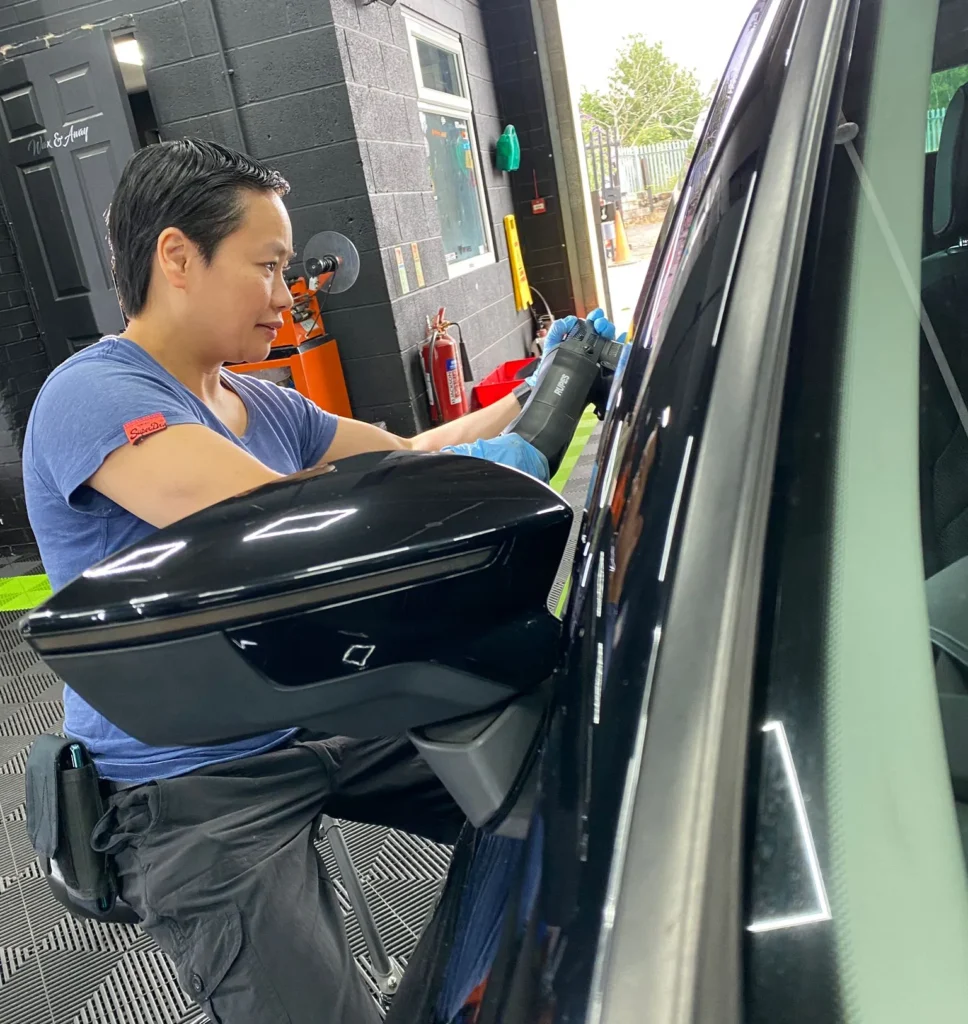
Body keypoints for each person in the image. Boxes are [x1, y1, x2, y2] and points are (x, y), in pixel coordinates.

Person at [22, 138, 621, 1023]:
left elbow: (412, 453)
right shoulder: (93, 396)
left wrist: (550, 379)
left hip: (313, 711)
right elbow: (276, 515)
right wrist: (519, 443)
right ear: (178, 258)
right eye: (266, 267)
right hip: (185, 783)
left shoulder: (261, 402)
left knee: (570, 780)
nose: (284, 293)